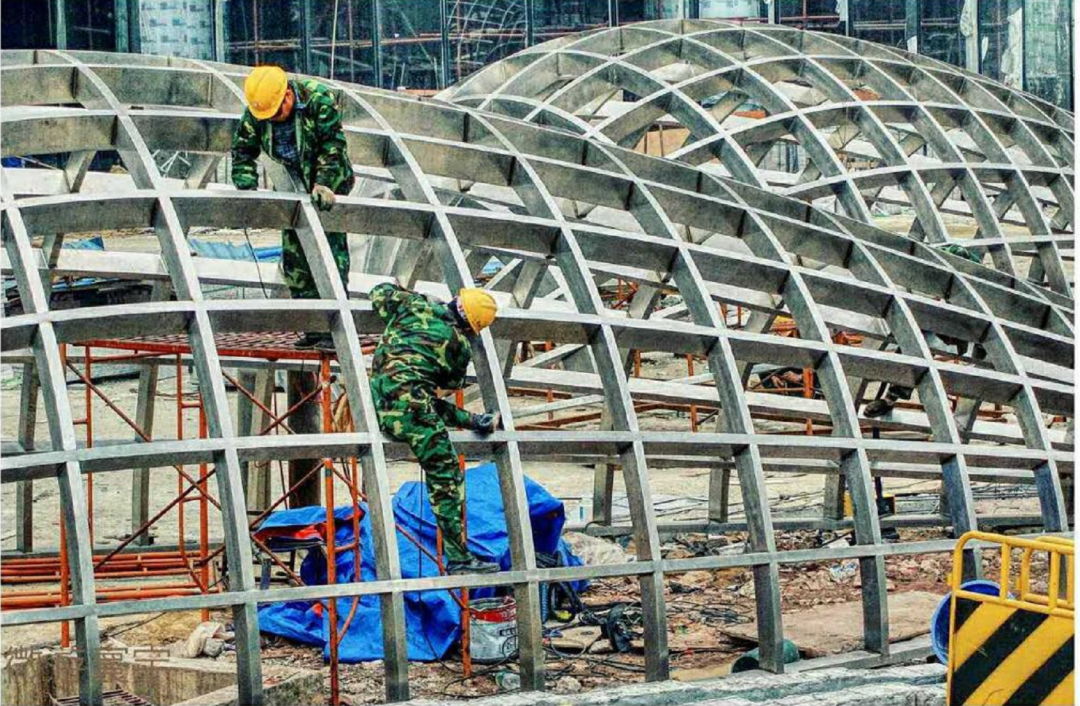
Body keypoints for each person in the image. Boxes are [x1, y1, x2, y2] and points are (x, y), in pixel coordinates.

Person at [369, 284, 502, 575]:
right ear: (471, 326)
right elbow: (451, 384)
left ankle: (477, 421)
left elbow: (378, 292)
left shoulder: (413, 306)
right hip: (412, 414)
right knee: (447, 475)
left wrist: (412, 296)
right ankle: (458, 557)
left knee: (422, 400)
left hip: (379, 402)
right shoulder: (457, 343)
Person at [231, 66, 354, 349]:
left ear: (288, 95)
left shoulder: (318, 100)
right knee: (295, 258)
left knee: (330, 252)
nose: (273, 119)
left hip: (328, 181)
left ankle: (334, 325)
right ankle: (312, 326)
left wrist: (324, 183)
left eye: (277, 113)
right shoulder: (259, 110)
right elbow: (242, 149)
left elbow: (333, 146)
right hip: (293, 183)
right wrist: (245, 180)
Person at [864, 242, 983, 419]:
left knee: (984, 356)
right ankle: (891, 398)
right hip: (949, 315)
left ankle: (959, 415)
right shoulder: (935, 268)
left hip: (976, 321)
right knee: (914, 343)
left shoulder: (965, 269)